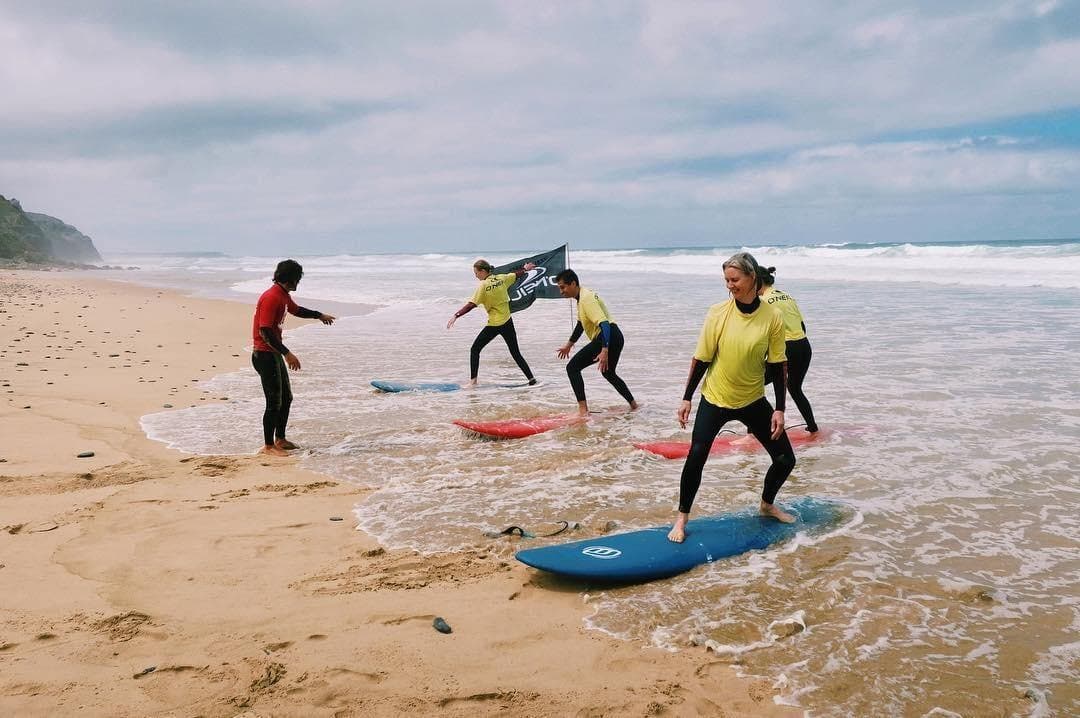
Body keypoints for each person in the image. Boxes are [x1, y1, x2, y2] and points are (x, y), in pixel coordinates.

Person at [668, 252, 796, 543]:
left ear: (752, 278)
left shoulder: (772, 317)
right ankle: (681, 519)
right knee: (697, 456)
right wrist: (687, 398)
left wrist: (779, 408)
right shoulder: (718, 313)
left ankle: (766, 504)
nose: (730, 285)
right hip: (715, 399)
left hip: (753, 400)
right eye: (726, 280)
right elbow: (701, 358)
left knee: (785, 459)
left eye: (735, 279)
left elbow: (778, 365)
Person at [251, 259, 335, 456]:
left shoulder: (283, 295)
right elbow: (265, 331)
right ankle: (268, 446)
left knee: (286, 398)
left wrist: (319, 315)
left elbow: (297, 310)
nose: (298, 283)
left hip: (272, 353)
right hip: (264, 354)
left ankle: (280, 439)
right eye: (297, 279)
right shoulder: (272, 297)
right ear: (292, 279)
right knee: (274, 402)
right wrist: (287, 353)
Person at [554, 269, 639, 416]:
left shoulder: (586, 299)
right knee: (609, 373)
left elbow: (604, 324)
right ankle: (634, 405)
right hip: (616, 337)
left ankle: (583, 410)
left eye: (563, 287)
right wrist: (568, 345)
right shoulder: (581, 298)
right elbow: (581, 324)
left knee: (572, 368)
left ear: (573, 283)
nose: (561, 291)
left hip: (607, 336)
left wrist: (604, 350)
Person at [447, 259, 537, 387]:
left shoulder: (483, 286)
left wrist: (456, 315)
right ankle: (531, 379)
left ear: (483, 271)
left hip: (494, 325)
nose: (475, 276)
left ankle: (473, 382)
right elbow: (516, 274)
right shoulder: (502, 278)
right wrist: (526, 269)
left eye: (476, 273)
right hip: (507, 322)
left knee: (475, 349)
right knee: (515, 353)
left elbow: (471, 304)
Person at [759, 266, 818, 433]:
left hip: (787, 348)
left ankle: (752, 434)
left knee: (755, 385)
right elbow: (802, 325)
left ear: (757, 281)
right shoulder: (787, 296)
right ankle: (813, 429)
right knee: (794, 387)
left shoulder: (763, 301)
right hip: (803, 346)